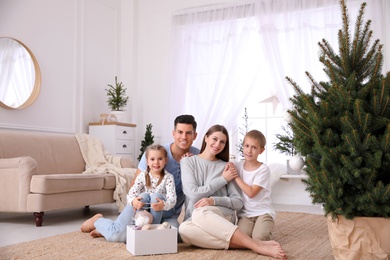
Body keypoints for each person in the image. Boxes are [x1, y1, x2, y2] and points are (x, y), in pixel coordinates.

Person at [80, 114, 199, 242]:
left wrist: (191, 164)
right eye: (180, 132)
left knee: (174, 237)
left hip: (167, 211)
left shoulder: (197, 156)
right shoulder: (157, 153)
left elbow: (197, 190)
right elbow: (136, 186)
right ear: (173, 133)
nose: (184, 137)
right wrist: (135, 204)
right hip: (142, 208)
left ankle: (108, 230)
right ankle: (99, 221)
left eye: (188, 133)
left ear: (195, 136)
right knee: (117, 236)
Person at [179, 125, 287, 259]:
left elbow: (238, 202)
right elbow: (194, 194)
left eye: (222, 142)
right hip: (195, 219)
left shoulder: (227, 166)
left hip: (221, 214)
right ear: (206, 138)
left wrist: (214, 201)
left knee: (200, 212)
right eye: (214, 139)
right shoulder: (187, 162)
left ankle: (256, 246)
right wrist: (223, 179)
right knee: (184, 230)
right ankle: (249, 243)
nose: (217, 144)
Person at [80, 144, 175, 240]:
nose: (156, 162)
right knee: (143, 196)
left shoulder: (168, 178)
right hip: (141, 210)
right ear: (147, 161)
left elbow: (172, 199)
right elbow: (131, 193)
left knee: (155, 197)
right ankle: (98, 221)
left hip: (157, 211)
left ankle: (105, 230)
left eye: (160, 159)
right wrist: (133, 202)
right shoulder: (143, 176)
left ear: (165, 160)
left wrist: (164, 205)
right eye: (152, 159)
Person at [233, 130, 275, 241]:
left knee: (259, 238)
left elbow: (251, 193)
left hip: (263, 212)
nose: (249, 151)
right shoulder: (237, 165)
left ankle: (266, 232)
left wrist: (235, 176)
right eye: (246, 146)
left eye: (254, 147)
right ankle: (254, 229)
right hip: (245, 214)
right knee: (242, 238)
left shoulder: (263, 170)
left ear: (261, 150)